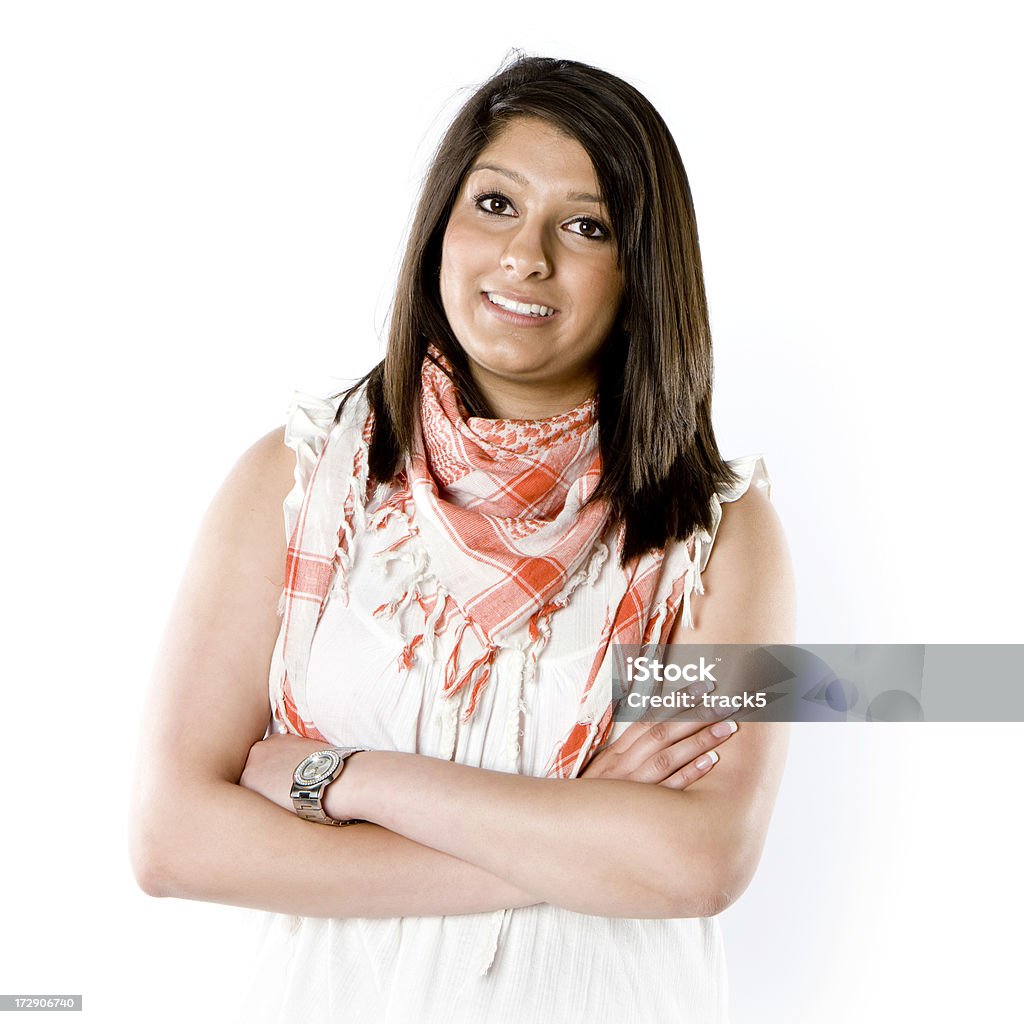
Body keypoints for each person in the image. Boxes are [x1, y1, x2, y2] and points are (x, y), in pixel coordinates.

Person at [129, 54, 795, 1023]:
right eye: (494, 205)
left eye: (585, 225)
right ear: (439, 223)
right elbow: (171, 838)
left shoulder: (718, 536)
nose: (526, 256)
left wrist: (345, 778)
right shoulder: (302, 481)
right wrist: (572, 844)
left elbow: (698, 859)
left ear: (641, 270)